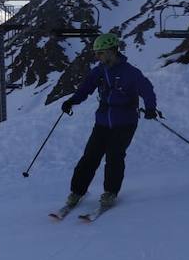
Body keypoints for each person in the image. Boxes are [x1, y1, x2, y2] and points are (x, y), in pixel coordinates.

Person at [61, 33, 159, 209]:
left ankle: (110, 193)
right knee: (90, 157)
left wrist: (150, 108)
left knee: (114, 157)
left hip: (125, 123)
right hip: (102, 122)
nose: (97, 56)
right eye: (96, 53)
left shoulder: (130, 72)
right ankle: (77, 192)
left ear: (111, 51)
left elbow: (147, 90)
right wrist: (72, 101)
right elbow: (85, 89)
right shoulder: (99, 71)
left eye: (100, 52)